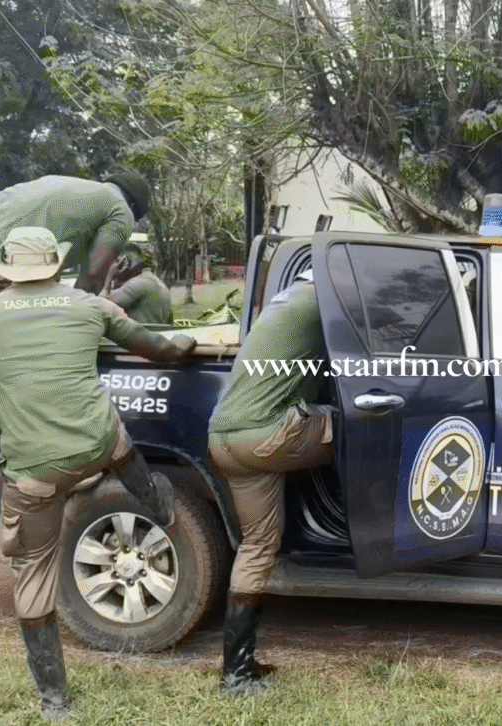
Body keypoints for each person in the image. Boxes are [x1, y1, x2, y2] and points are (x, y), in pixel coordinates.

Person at [0, 226, 196, 720]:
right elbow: (158, 348)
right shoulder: (89, 306)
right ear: (56, 264)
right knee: (114, 434)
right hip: (96, 446)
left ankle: (55, 702)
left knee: (34, 574)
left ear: (8, 269)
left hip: (34, 472)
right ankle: (156, 503)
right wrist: (184, 345)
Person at [207, 269, 334, 697]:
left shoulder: (287, 302)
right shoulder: (323, 301)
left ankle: (237, 674)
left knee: (258, 547)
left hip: (224, 440)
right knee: (366, 417)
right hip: (264, 438)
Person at [0, 171, 150, 322]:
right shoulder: (121, 210)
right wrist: (73, 318)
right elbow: (92, 276)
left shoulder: (77, 187)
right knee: (39, 328)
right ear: (133, 206)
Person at [102, 244, 172, 325]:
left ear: (126, 262)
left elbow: (99, 305)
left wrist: (109, 278)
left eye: (118, 262)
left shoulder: (139, 283)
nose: (115, 266)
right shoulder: (152, 280)